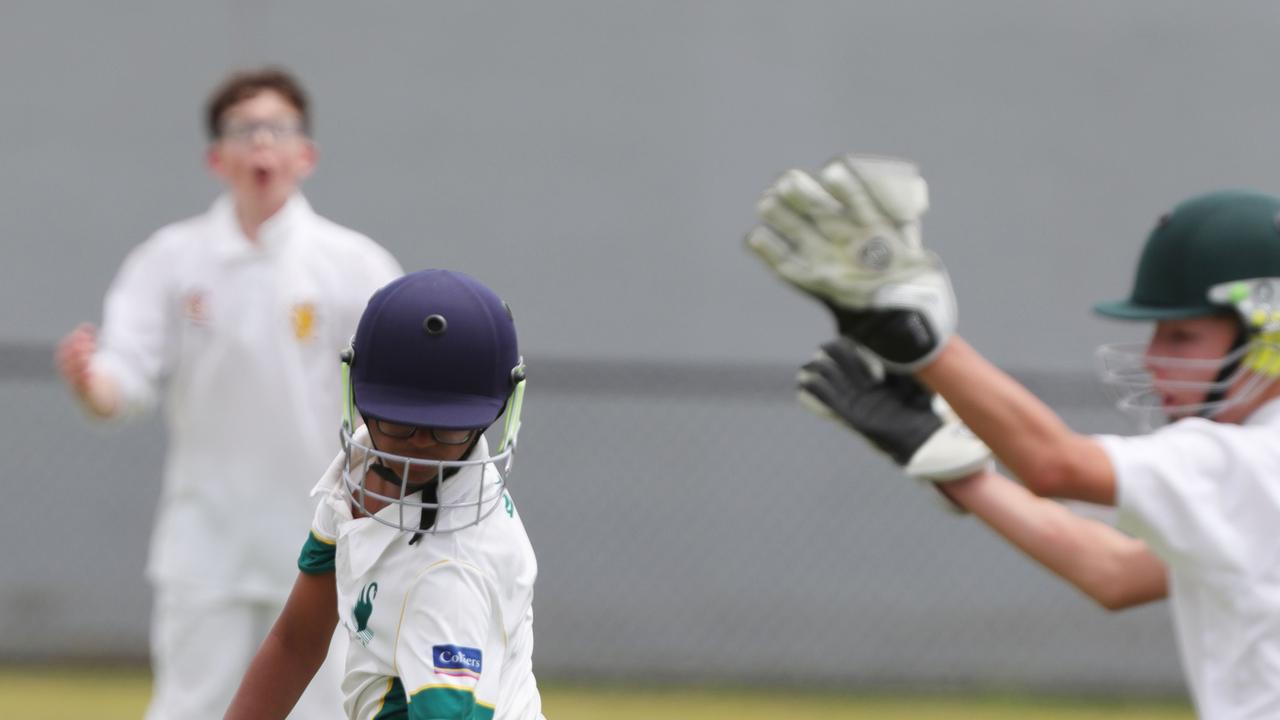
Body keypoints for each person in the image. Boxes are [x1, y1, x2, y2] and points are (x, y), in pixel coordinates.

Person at [748, 154, 1280, 719]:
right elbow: (1116, 573)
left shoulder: (1257, 459)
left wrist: (919, 338)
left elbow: (1057, 465)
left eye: (1183, 334)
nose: (1152, 359)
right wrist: (948, 461)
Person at [53, 67, 403, 719]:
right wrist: (91, 381)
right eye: (244, 131)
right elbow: (122, 379)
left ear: (307, 154)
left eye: (278, 129)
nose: (261, 145)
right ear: (217, 157)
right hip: (205, 539)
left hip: (325, 541)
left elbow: (397, 392)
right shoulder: (169, 259)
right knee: (191, 707)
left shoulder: (356, 267)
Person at [224, 268, 544, 720]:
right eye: (398, 421)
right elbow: (296, 642)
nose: (417, 444)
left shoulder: (450, 575)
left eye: (444, 428)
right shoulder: (359, 470)